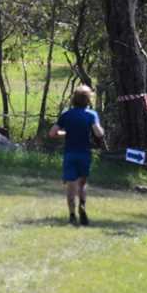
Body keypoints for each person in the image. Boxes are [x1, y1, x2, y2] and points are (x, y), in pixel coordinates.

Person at [49, 85, 104, 226]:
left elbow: (52, 133)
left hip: (70, 154)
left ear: (74, 99)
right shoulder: (91, 115)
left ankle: (72, 214)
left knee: (70, 185)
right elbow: (99, 133)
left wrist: (65, 133)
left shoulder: (67, 115)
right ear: (88, 100)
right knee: (82, 183)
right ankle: (82, 205)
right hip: (85, 153)